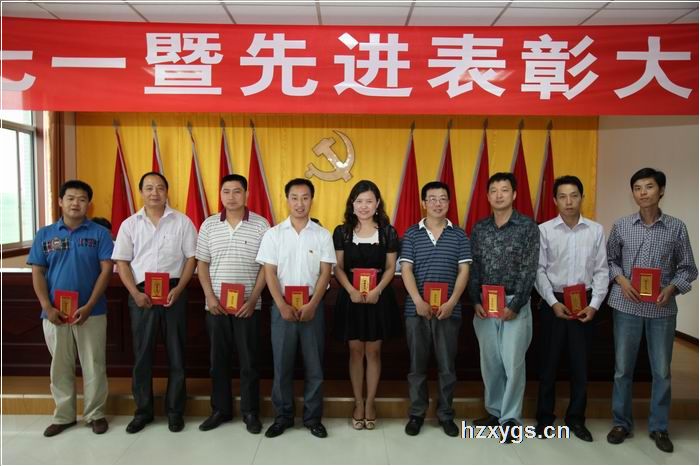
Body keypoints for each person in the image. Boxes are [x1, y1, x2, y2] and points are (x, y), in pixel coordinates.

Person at [606, 167, 697, 453]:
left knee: (661, 371)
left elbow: (688, 268)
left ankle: (659, 427)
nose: (643, 193)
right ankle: (621, 423)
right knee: (623, 369)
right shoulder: (621, 225)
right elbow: (609, 260)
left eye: (648, 187)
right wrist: (621, 280)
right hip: (626, 306)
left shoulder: (676, 227)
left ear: (661, 191)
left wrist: (672, 288)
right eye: (637, 188)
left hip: (661, 309)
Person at [112, 171, 197, 434]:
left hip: (174, 292)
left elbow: (191, 259)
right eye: (149, 188)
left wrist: (179, 289)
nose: (154, 193)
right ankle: (143, 412)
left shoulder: (182, 221)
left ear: (167, 191)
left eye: (160, 187)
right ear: (141, 192)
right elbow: (122, 262)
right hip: (141, 295)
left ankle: (175, 412)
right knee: (142, 356)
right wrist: (135, 294)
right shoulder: (129, 224)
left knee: (176, 355)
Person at [28, 180, 114, 437]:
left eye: (82, 199)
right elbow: (38, 272)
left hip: (91, 312)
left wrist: (89, 305)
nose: (76, 203)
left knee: (94, 364)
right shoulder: (45, 234)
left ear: (89, 204)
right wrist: (47, 306)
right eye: (71, 198)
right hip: (55, 314)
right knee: (60, 366)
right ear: (60, 201)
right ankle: (64, 416)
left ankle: (95, 414)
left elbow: (106, 271)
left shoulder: (100, 233)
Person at [256, 178, 336, 439]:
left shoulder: (322, 234)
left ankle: (313, 418)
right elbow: (269, 272)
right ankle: (283, 417)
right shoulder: (274, 234)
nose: (300, 203)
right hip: (282, 307)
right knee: (282, 365)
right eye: (294, 197)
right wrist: (281, 305)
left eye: (305, 197)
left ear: (312, 200)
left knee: (315, 366)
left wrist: (314, 304)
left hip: (313, 307)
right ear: (287, 200)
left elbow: (326, 272)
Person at [534, 175, 609, 442]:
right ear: (555, 200)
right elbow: (539, 270)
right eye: (563, 196)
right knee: (548, 364)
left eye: (574, 195)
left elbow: (602, 271)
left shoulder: (595, 230)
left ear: (582, 198)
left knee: (580, 365)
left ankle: (576, 418)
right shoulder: (544, 230)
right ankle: (545, 418)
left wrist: (594, 305)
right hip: (553, 302)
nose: (569, 201)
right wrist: (553, 302)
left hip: (584, 302)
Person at [468, 172, 539, 444]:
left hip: (513, 305)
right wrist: (475, 300)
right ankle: (495, 411)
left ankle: (510, 419)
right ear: (488, 196)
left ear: (514, 194)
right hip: (485, 305)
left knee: (513, 363)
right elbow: (474, 267)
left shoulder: (527, 227)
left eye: (505, 190)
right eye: (494, 190)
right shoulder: (480, 228)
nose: (499, 195)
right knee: (491, 363)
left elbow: (529, 269)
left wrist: (516, 303)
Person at [196, 174, 269, 434]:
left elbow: (266, 267)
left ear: (246, 194)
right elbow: (202, 264)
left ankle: (250, 412)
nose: (231, 197)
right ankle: (220, 410)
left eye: (237, 191)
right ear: (220, 194)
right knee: (218, 362)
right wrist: (209, 296)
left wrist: (253, 299)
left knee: (249, 362)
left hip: (248, 307)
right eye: (226, 191)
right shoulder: (208, 225)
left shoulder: (261, 225)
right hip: (216, 307)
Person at [399, 181, 471, 437]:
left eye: (442, 199)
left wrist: (452, 302)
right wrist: (418, 300)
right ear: (424, 203)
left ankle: (446, 415)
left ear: (449, 203)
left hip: (448, 311)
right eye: (432, 198)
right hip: (416, 310)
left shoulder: (459, 235)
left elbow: (464, 271)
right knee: (417, 367)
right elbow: (406, 269)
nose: (437, 203)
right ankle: (417, 414)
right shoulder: (411, 234)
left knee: (447, 367)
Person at [332, 180, 401, 430]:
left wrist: (377, 290)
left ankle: (370, 403)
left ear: (377, 204)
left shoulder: (387, 232)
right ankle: (358, 402)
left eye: (369, 201)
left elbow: (391, 267)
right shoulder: (342, 232)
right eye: (359, 201)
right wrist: (350, 290)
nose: (364, 206)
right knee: (355, 352)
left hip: (377, 298)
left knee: (373, 352)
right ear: (352, 204)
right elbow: (338, 267)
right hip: (351, 298)